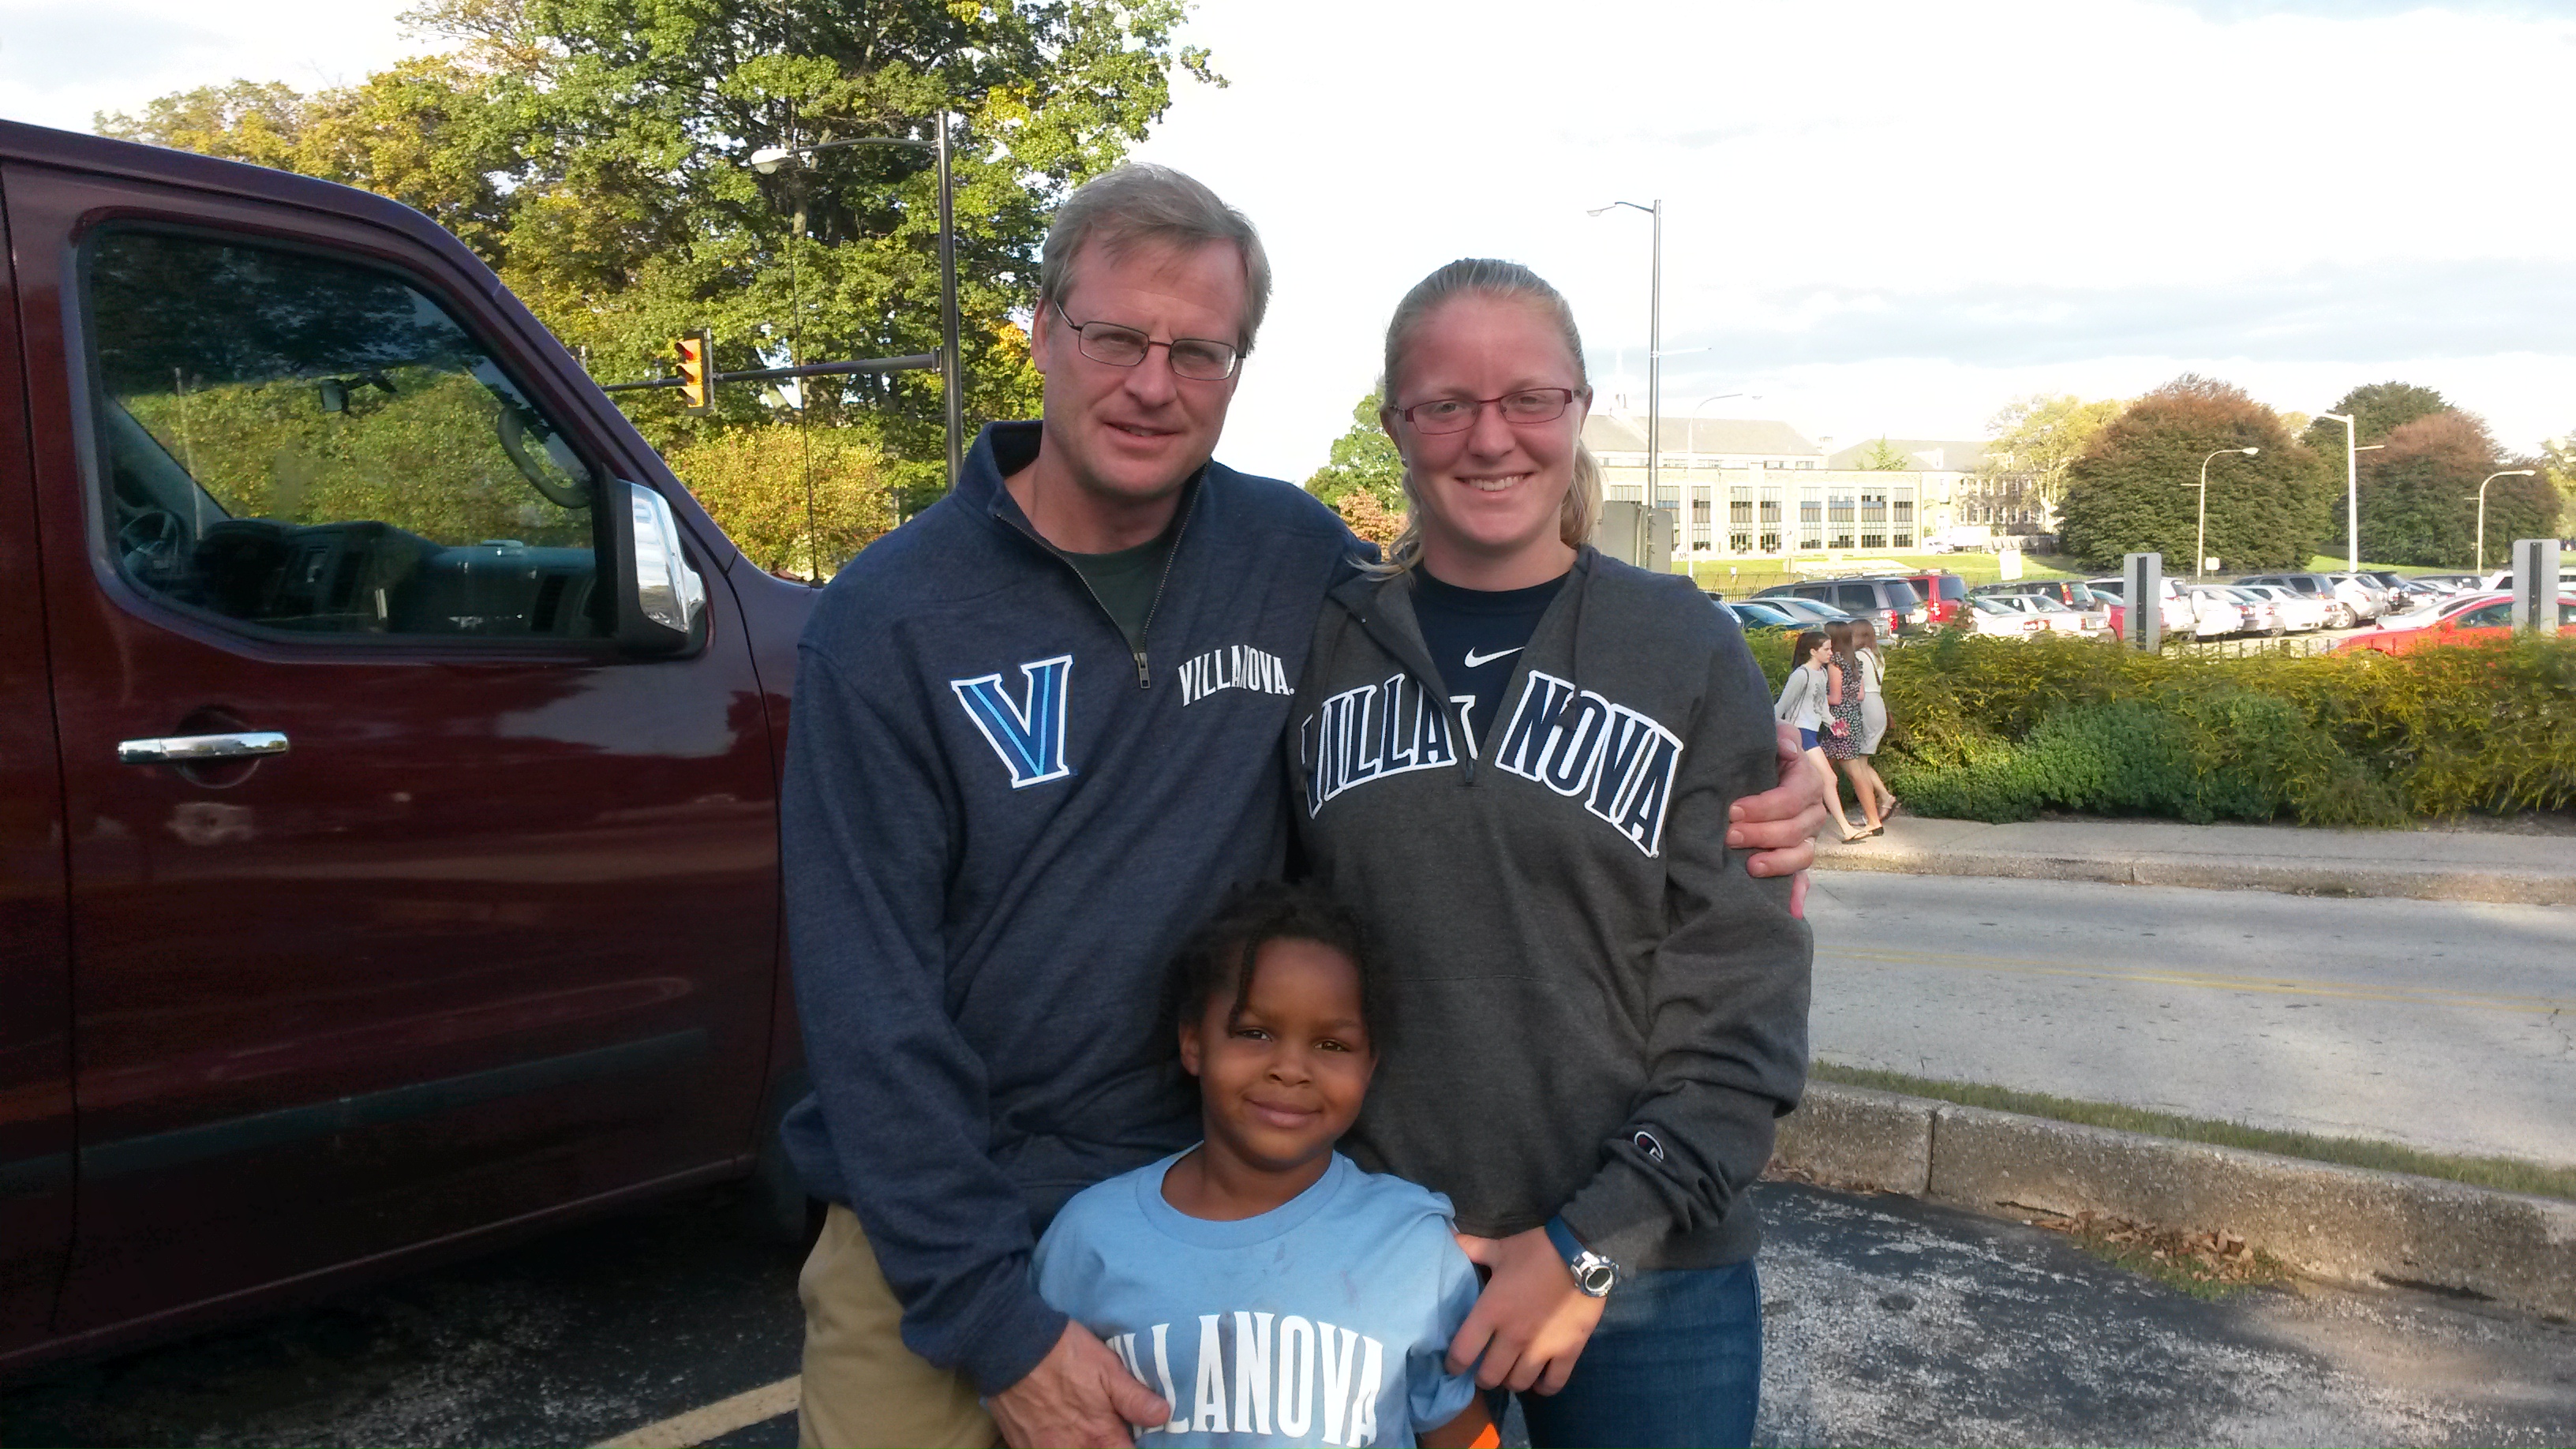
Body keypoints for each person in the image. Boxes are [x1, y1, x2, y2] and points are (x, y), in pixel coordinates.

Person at [778, 170, 1831, 1449]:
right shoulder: (890, 619)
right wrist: (993, 1320)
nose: (1153, 383)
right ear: (1041, 329)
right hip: (976, 1234)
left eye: (1198, 351)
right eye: (1115, 337)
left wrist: (1791, 763)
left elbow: (1731, 977)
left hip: (1250, 1221)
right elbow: (866, 1007)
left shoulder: (1289, 561)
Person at [1287, 258, 1814, 1449]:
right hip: (1379, 1254)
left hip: (1652, 1269)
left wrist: (1592, 1244)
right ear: (1395, 425)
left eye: (1530, 398)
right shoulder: (1322, 641)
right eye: (1446, 404)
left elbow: (1746, 1004)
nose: (1492, 438)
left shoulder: (1682, 643)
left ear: (1579, 408)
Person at [1033, 882, 1499, 1449]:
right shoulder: (1089, 1238)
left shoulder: (1413, 1246)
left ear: (1370, 1065)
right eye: (1254, 1033)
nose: (1290, 1069)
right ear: (1193, 1042)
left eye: (1332, 1045)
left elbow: (1461, 1433)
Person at [1777, 631, 1864, 844]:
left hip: (1811, 732)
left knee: (1806, 781)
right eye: (1826, 649)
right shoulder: (1801, 675)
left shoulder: (1822, 673)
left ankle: (1795, 826)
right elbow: (1781, 706)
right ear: (1813, 651)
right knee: (1829, 778)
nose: (1831, 653)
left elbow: (1822, 708)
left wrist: (1834, 724)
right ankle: (1846, 828)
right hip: (1800, 731)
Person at [1837, 620, 1898, 824]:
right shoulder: (1876, 655)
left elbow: (1854, 686)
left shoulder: (1859, 657)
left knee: (1858, 764)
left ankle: (1880, 803)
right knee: (1861, 761)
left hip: (1866, 706)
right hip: (1877, 704)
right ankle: (1883, 798)